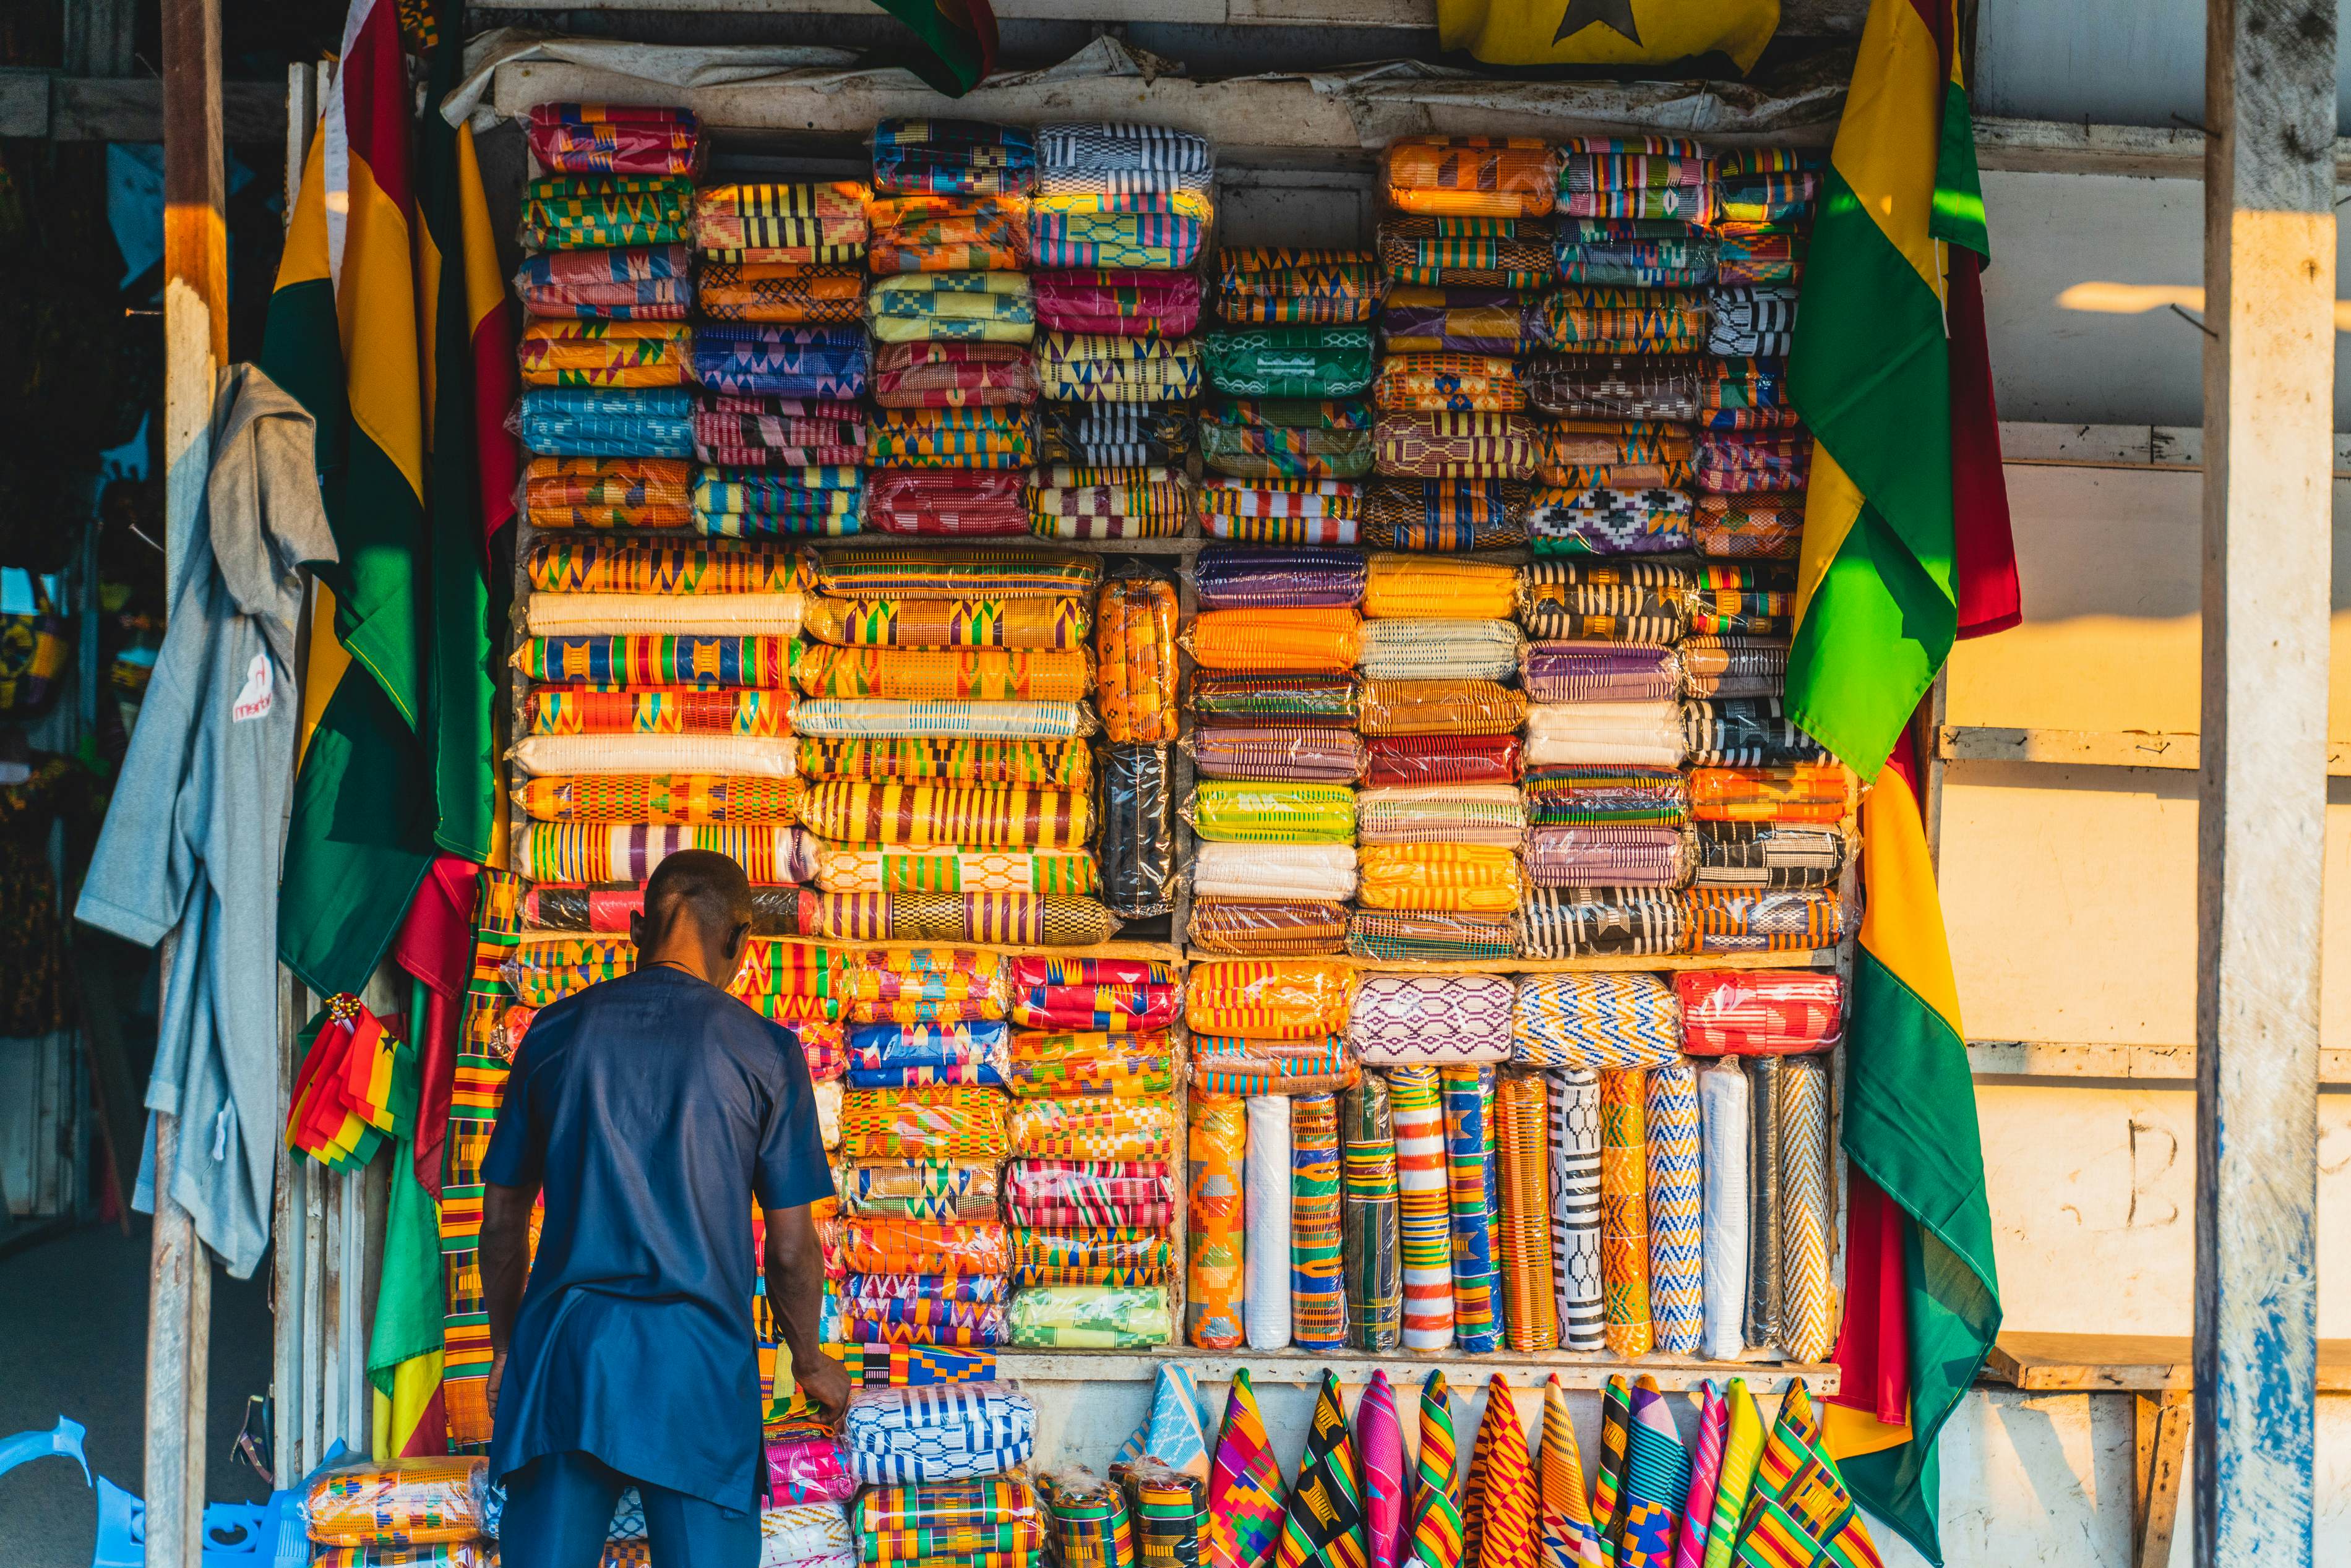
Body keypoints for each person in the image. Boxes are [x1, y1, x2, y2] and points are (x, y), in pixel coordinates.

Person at [478, 850, 848, 1567]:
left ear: (636, 930)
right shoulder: (765, 1053)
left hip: (565, 1359)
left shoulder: (553, 1032)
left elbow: (500, 1222)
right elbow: (790, 1248)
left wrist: (506, 1350)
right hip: (696, 1368)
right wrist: (808, 1360)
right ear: (740, 942)